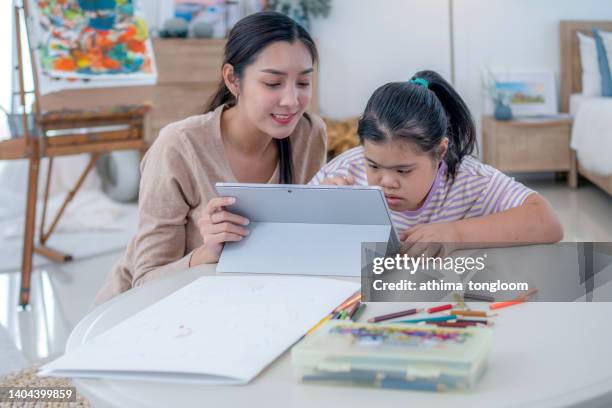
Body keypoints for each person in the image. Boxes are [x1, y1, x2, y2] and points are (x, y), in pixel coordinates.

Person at [94, 12, 326, 305]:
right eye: (272, 83)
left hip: (237, 300)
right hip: (141, 310)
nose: (292, 100)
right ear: (233, 80)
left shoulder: (310, 134)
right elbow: (145, 280)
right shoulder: (179, 147)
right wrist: (208, 254)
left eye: (303, 83)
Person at [310, 70, 563, 256]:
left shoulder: (469, 180)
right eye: (373, 165)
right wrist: (320, 211)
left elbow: (548, 222)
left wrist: (456, 234)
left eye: (403, 170)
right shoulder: (346, 172)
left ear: (440, 151)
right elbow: (291, 241)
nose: (386, 182)